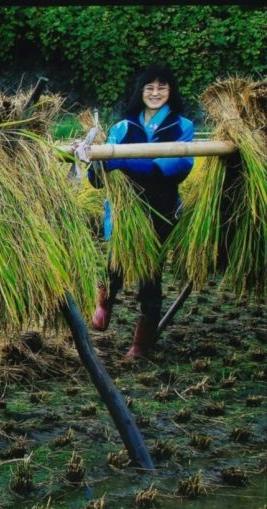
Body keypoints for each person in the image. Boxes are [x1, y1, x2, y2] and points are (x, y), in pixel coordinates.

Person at [81, 65, 194, 359]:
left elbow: (177, 167)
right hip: (123, 210)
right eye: (149, 88)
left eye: (162, 87)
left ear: (171, 92)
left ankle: (141, 342)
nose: (155, 93)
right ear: (140, 92)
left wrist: (125, 161)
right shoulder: (122, 128)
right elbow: (98, 180)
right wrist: (97, 163)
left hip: (160, 208)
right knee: (115, 262)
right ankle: (105, 302)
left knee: (150, 275)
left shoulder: (182, 125)